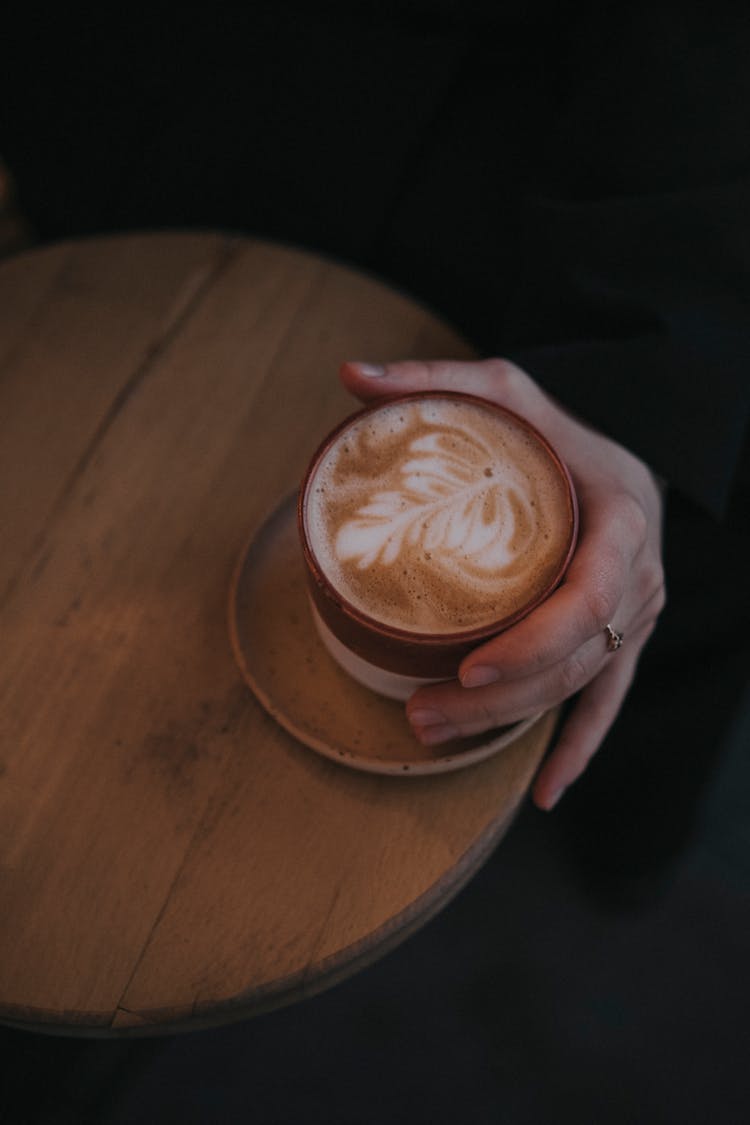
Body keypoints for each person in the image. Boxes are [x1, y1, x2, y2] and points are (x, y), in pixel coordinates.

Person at [2, 0, 748, 896]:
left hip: (525, 178)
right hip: (135, 129)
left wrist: (632, 390)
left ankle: (625, 852)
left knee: (686, 545)